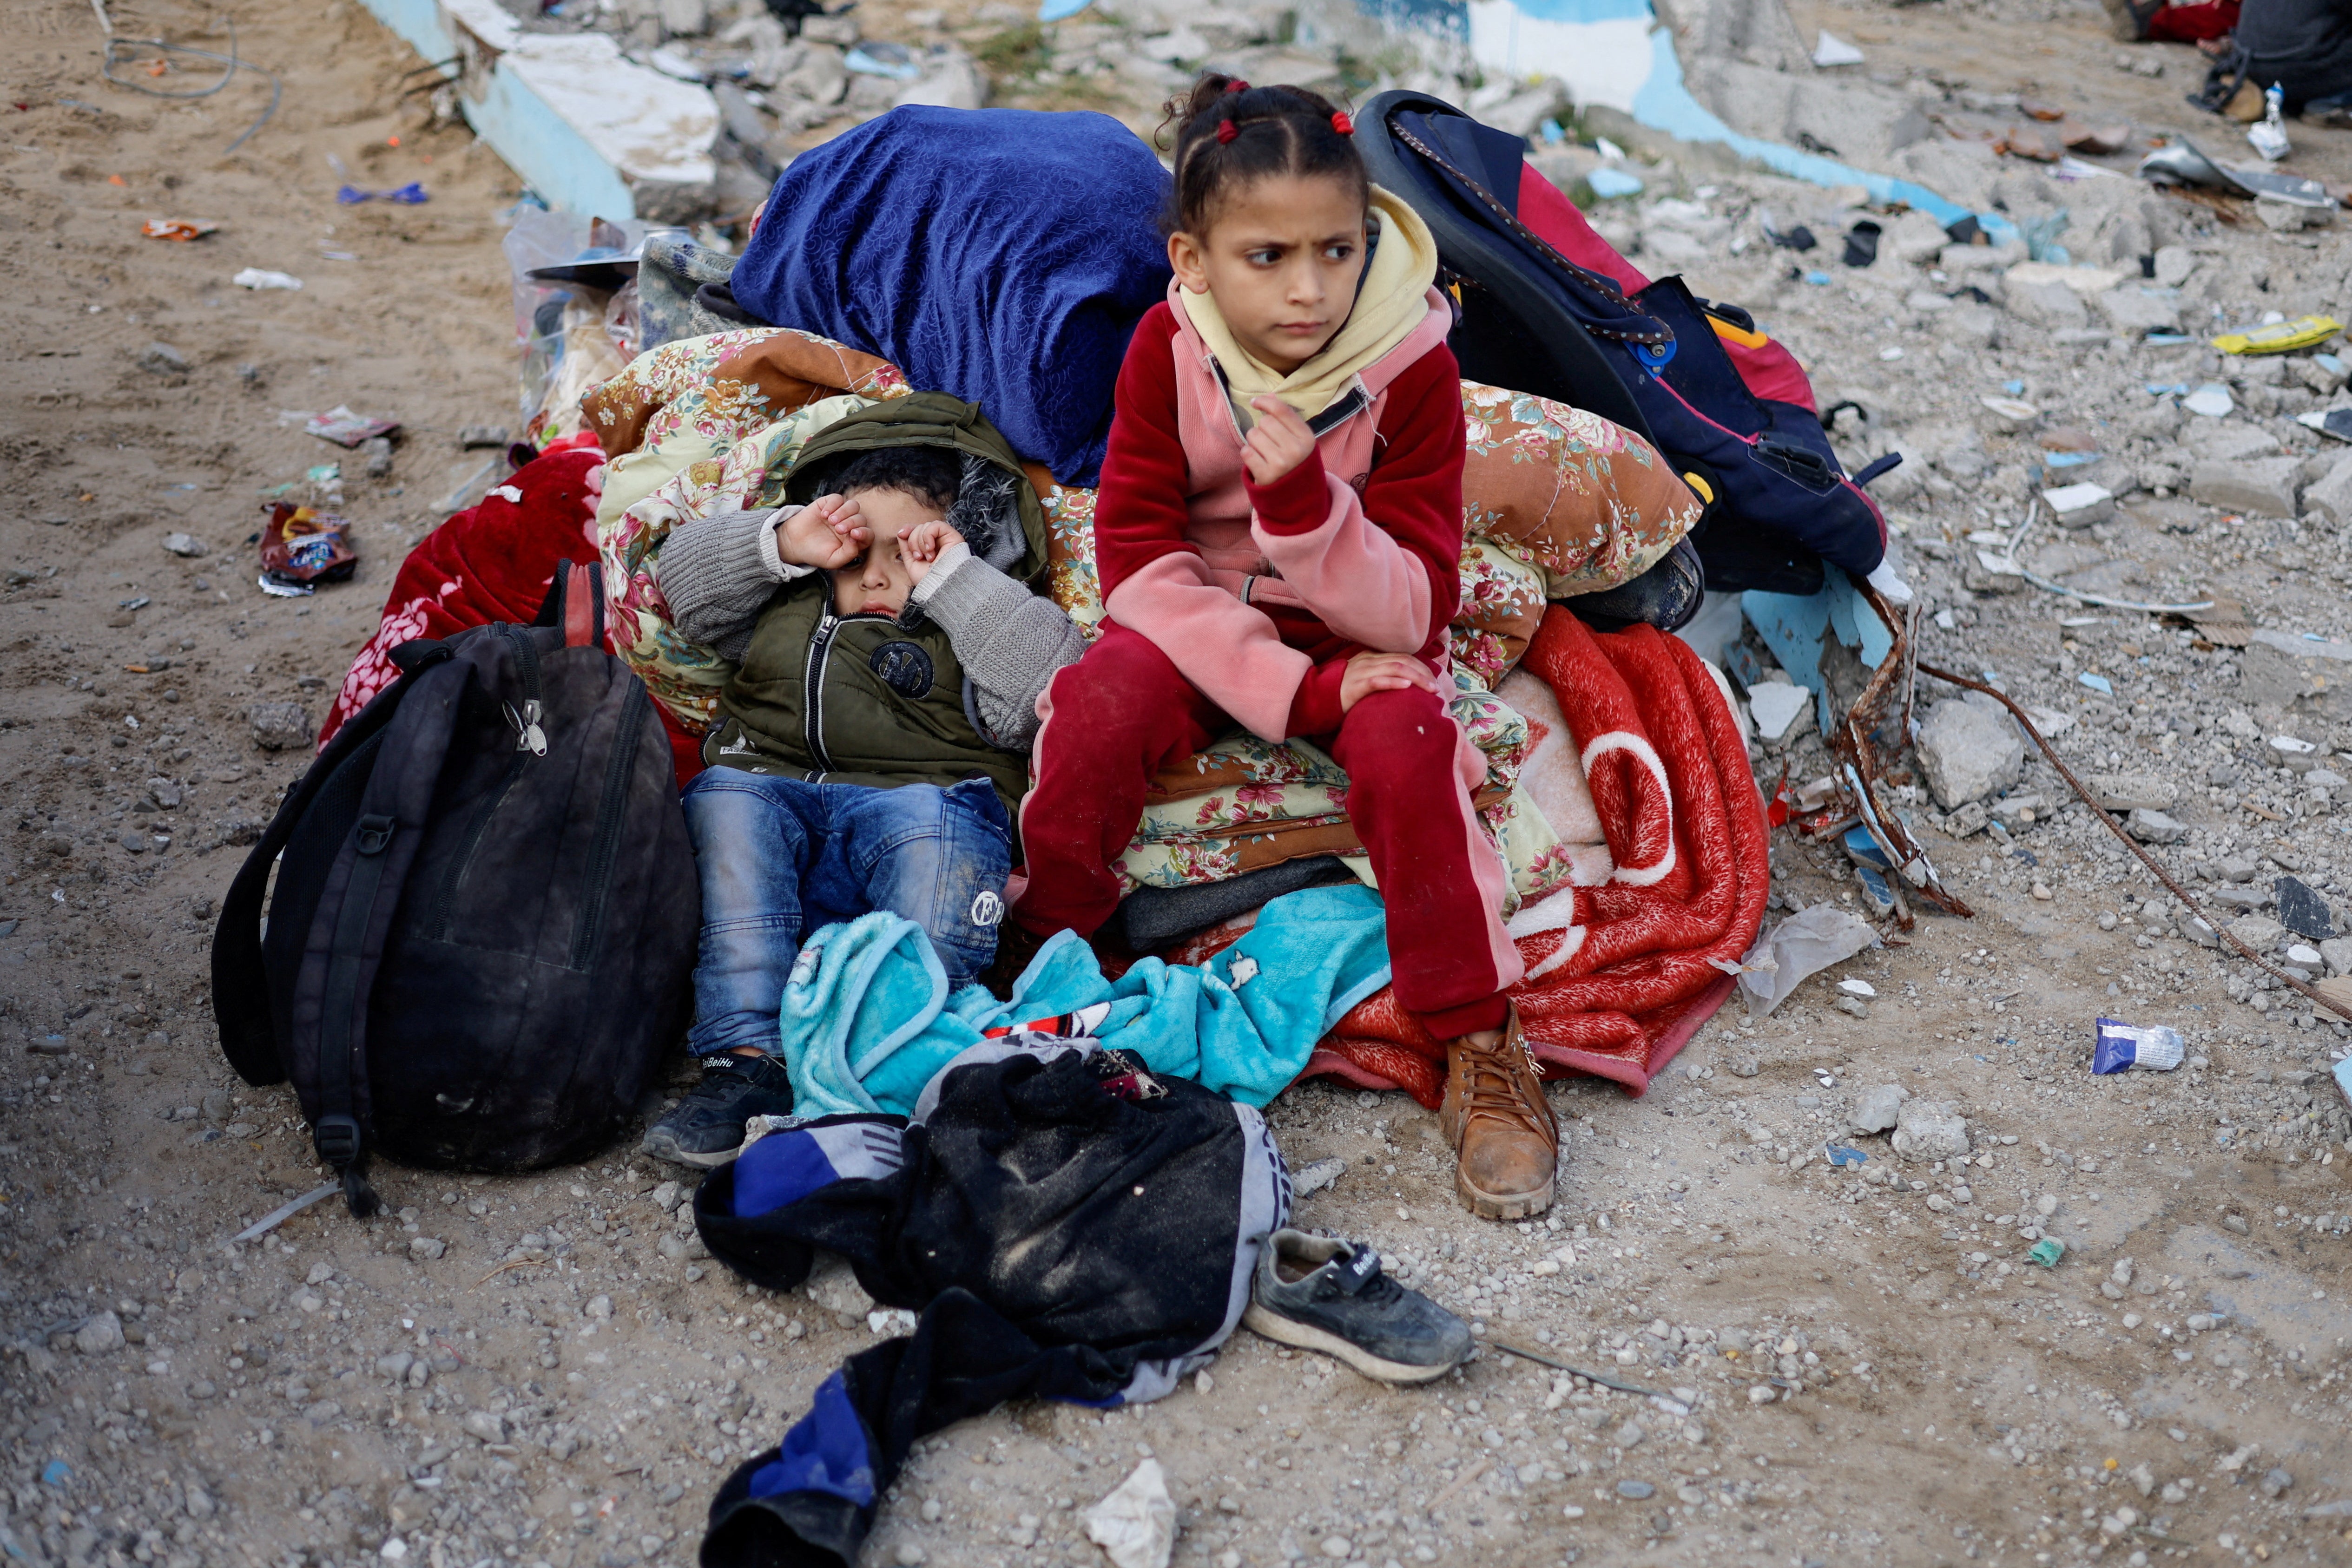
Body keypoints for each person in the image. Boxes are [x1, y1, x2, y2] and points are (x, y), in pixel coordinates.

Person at [1007, 76, 1559, 1221]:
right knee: (1100, 700)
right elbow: (1141, 561)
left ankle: (1474, 1033)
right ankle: (1049, 950)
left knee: (1412, 738)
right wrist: (1296, 692)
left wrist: (1309, 514)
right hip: (1203, 620)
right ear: (1195, 259)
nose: (1309, 288)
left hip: (1359, 620)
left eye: (1336, 249)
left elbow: (1416, 606)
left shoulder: (1411, 366)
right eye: (1266, 256)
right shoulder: (1167, 345)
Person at [639, 394, 1088, 1167]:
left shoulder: (969, 613)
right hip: (770, 792)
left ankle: (899, 1051)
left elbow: (1052, 683)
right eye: (856, 546)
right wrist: (781, 541)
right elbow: (681, 587)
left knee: (934, 829)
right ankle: (747, 1064)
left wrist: (957, 583)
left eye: (907, 554)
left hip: (920, 802)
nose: (877, 573)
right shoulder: (783, 593)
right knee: (725, 800)